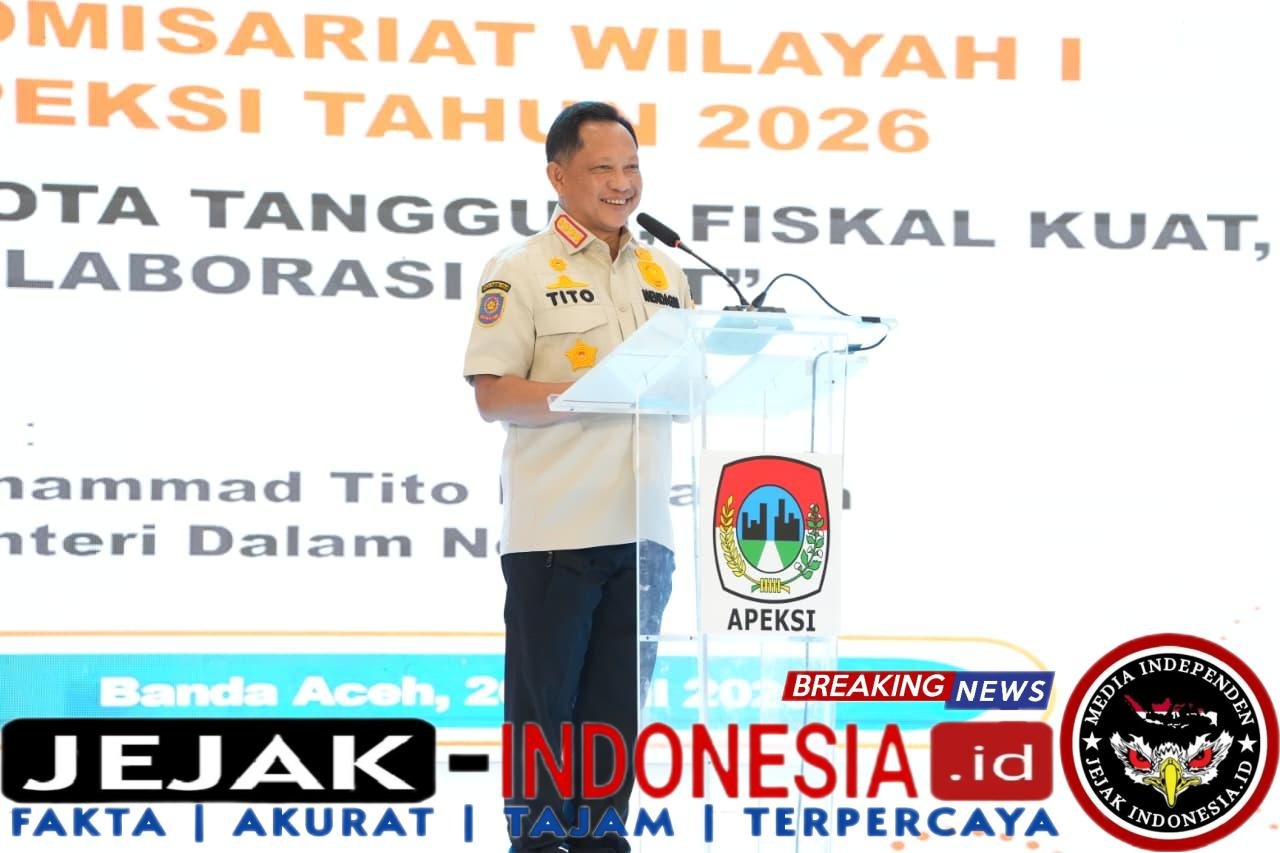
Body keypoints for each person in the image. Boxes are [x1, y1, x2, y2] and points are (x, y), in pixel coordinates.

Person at [462, 102, 694, 852]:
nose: (622, 183)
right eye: (603, 168)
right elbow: (493, 394)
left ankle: (601, 840)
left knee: (613, 721)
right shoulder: (521, 269)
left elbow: (685, 384)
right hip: (556, 534)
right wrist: (587, 393)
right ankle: (534, 843)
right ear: (558, 176)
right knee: (544, 716)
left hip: (645, 535)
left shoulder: (665, 270)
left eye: (632, 167)